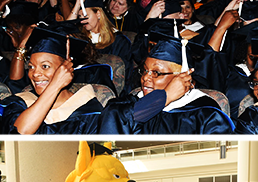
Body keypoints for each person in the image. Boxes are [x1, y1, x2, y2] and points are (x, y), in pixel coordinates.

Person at [99, 36, 234, 134]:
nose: (145, 77)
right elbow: (113, 118)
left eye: (156, 72)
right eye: (144, 70)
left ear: (183, 77)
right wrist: (165, 97)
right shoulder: (130, 102)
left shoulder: (205, 114)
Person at [0, 27, 105, 135]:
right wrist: (55, 86)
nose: (35, 74)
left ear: (66, 69)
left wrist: (56, 84)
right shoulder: (19, 103)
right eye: (31, 67)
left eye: (45, 66)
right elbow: (19, 135)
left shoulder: (89, 111)